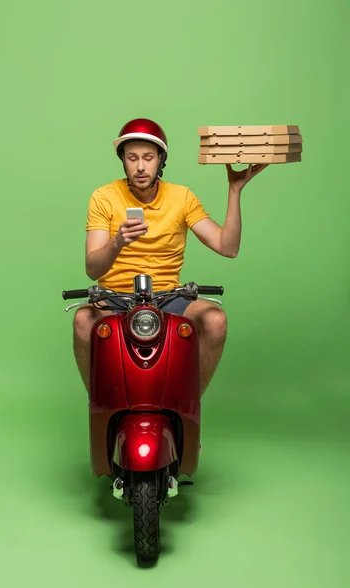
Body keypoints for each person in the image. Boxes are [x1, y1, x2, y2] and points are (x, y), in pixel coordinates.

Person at [73, 118, 267, 395]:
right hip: (115, 296)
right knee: (82, 320)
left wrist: (234, 190)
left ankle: (188, 405)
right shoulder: (103, 197)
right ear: (123, 161)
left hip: (168, 297)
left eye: (148, 158)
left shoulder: (182, 197)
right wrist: (118, 241)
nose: (140, 167)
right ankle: (99, 402)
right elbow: (92, 268)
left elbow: (228, 247)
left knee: (215, 319)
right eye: (133, 158)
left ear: (161, 160)